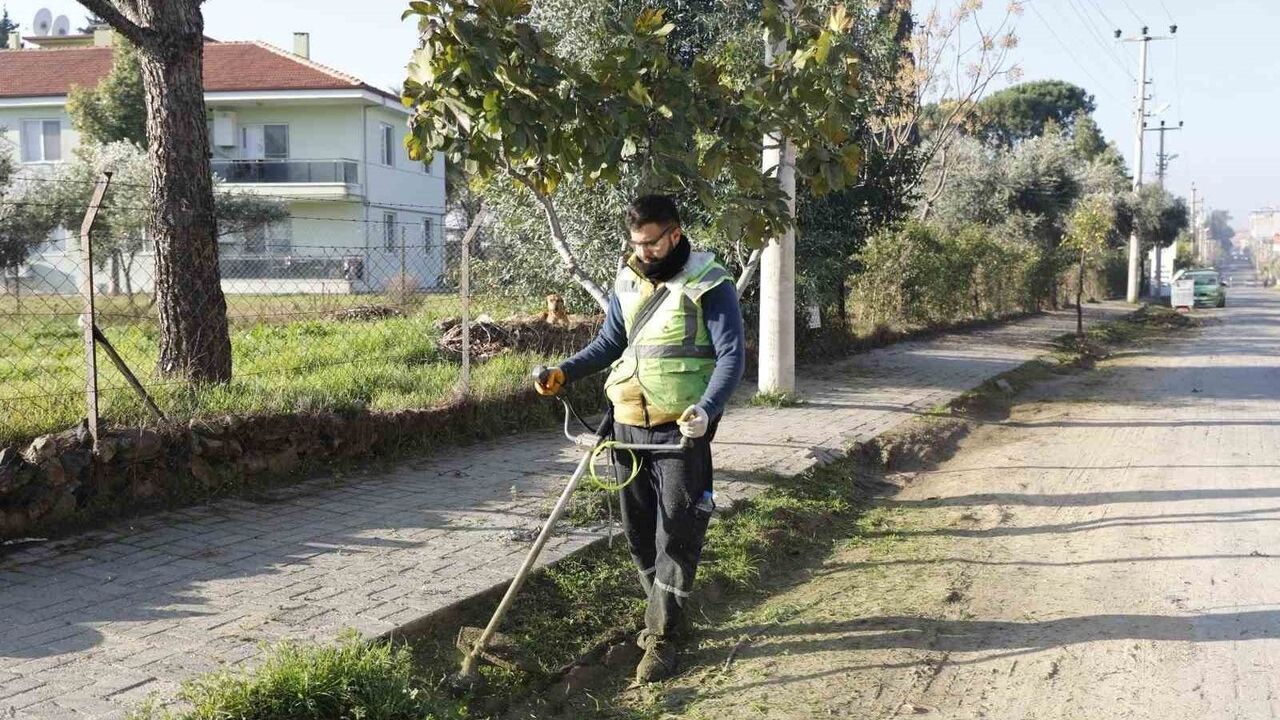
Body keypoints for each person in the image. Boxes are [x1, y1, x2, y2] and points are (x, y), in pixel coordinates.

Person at [534, 194, 745, 682]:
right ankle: (666, 616)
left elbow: (732, 356)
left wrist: (708, 411)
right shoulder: (627, 278)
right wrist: (565, 371)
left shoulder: (708, 281)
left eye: (651, 243)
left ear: (674, 234)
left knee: (676, 532)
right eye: (635, 243)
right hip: (626, 423)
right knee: (638, 533)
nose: (643, 252)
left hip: (680, 430)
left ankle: (662, 639)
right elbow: (611, 342)